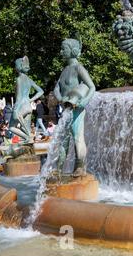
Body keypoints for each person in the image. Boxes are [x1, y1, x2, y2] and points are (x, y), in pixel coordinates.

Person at [53, 38, 96, 177]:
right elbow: (56, 88)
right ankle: (58, 169)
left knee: (78, 138)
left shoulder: (79, 68)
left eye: (64, 48)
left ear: (73, 50)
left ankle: (80, 167)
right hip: (66, 108)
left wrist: (84, 101)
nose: (61, 51)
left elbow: (91, 86)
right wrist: (60, 99)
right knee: (63, 140)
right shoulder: (65, 69)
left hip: (77, 108)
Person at [9, 56, 44, 144]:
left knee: (11, 127)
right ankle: (28, 145)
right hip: (28, 106)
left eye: (15, 66)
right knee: (25, 128)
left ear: (18, 67)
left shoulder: (18, 79)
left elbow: (19, 97)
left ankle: (26, 137)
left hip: (21, 106)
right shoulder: (29, 80)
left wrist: (15, 109)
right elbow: (41, 91)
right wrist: (31, 100)